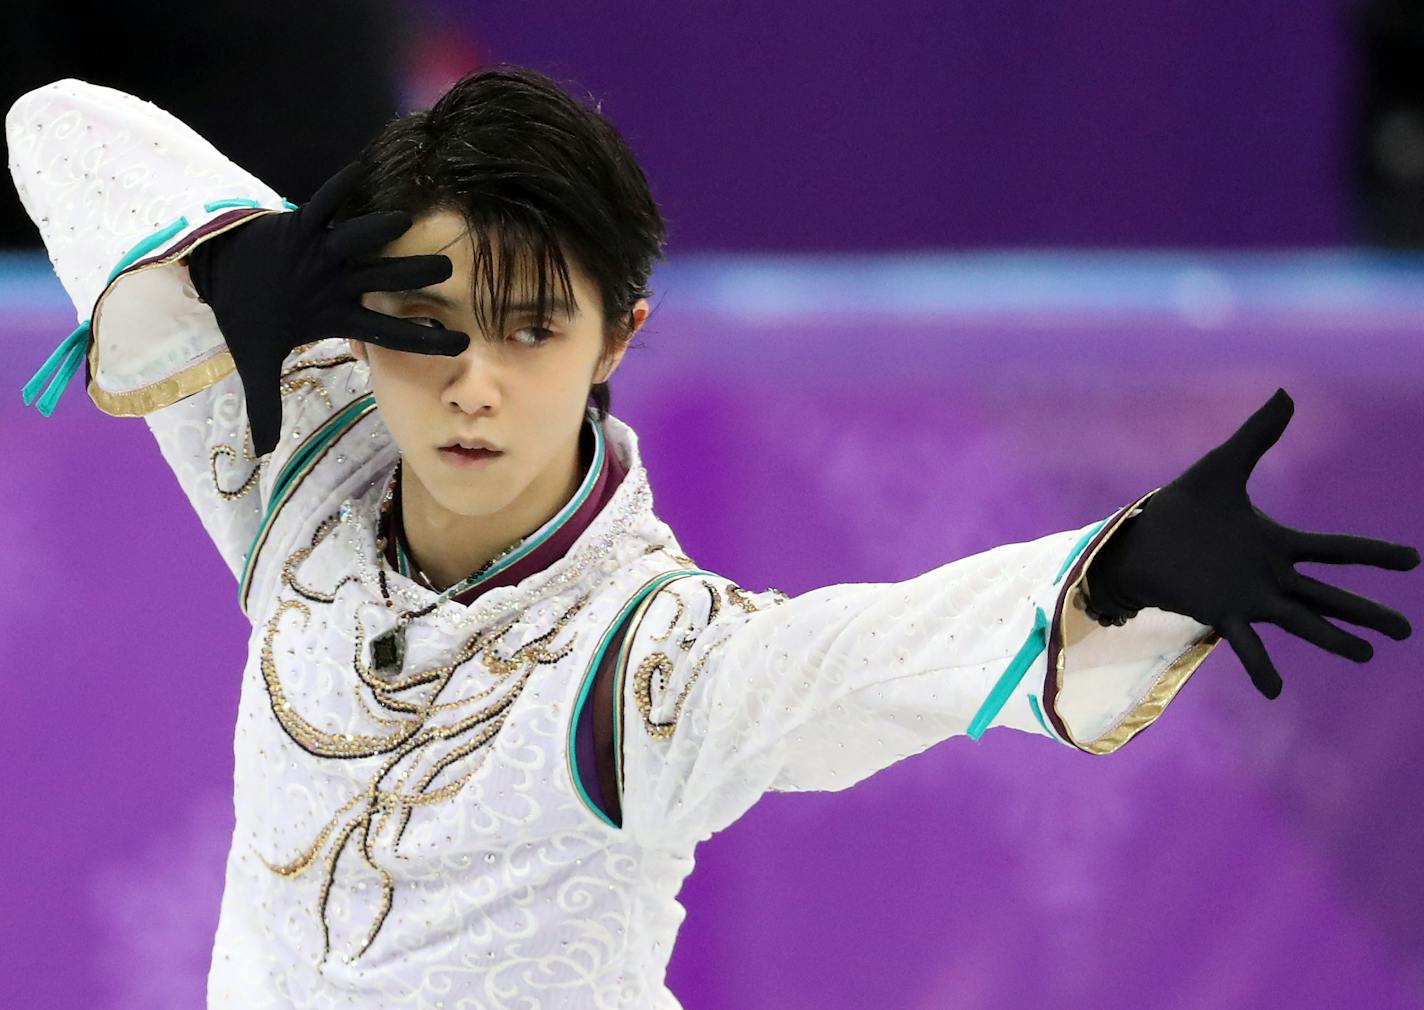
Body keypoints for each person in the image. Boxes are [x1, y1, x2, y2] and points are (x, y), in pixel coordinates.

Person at [8, 70, 1417, 1010]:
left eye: (527, 326)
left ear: (621, 331)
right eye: (420, 327)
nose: (470, 384)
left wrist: (1109, 577)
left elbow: (859, 659)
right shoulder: (302, 455)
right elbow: (56, 126)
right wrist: (249, 264)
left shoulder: (645, 670)